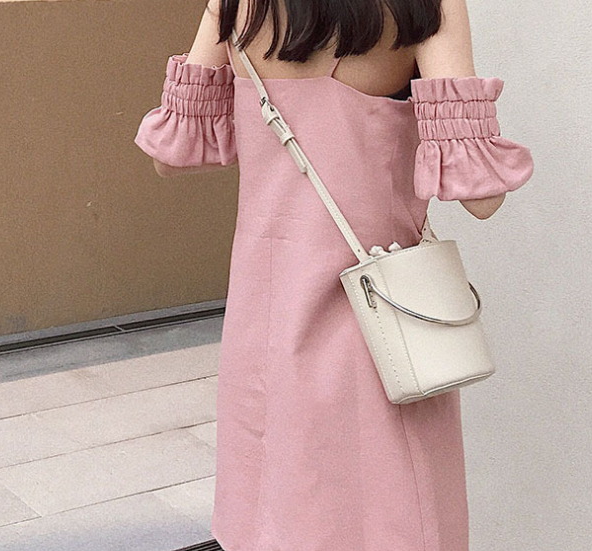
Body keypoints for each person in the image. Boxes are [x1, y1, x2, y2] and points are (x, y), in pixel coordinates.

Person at [134, 0, 534, 549]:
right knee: (397, 520)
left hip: (266, 334)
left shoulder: (236, 5)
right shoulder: (425, 6)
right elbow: (483, 200)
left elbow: (170, 156)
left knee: (277, 520)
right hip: (386, 334)